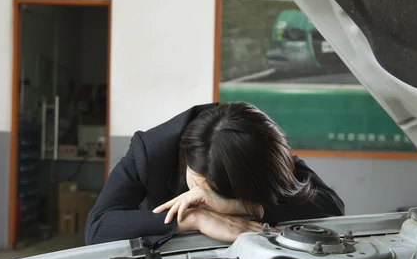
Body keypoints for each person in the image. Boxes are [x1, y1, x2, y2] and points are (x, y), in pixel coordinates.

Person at [84, 102, 344, 248]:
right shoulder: (151, 149)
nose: (204, 197)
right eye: (199, 186)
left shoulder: (259, 147)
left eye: (216, 193)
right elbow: (97, 228)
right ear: (184, 157)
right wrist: (193, 217)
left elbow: (331, 207)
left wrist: (247, 206)